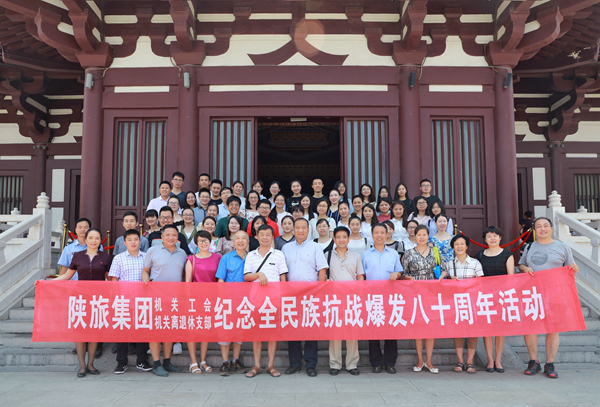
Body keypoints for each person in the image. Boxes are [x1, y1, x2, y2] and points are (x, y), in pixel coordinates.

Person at [519, 217, 578, 379]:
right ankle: (533, 361)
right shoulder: (529, 246)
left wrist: (574, 269)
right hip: (533, 293)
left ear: (551, 228)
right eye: (539, 226)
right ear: (534, 230)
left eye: (545, 226)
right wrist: (525, 269)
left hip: (555, 293)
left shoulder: (562, 247)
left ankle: (550, 363)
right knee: (530, 328)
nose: (542, 229)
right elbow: (521, 264)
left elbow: (571, 268)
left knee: (553, 329)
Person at [54, 228, 112, 377]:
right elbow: (67, 276)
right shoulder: (78, 256)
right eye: (91, 238)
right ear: (85, 239)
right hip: (80, 299)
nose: (94, 241)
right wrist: (47, 282)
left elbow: (111, 279)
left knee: (94, 333)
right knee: (80, 333)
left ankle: (91, 364)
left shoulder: (106, 258)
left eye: (97, 238)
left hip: (98, 300)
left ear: (100, 241)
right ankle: (81, 366)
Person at [282, 218, 328, 377]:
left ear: (308, 230)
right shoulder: (286, 248)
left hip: (311, 296)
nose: (300, 230)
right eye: (297, 228)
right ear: (293, 229)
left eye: (303, 228)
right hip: (292, 296)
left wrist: (319, 291)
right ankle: (294, 363)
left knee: (310, 330)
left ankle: (310, 364)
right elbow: (282, 271)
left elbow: (322, 270)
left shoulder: (315, 247)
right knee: (292, 328)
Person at [244, 224, 288, 378]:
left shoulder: (279, 255)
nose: (264, 237)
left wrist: (282, 298)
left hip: (273, 300)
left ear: (272, 237)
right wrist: (259, 275)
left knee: (272, 334)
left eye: (268, 234)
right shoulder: (251, 255)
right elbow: (246, 276)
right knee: (256, 334)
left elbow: (283, 277)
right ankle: (256, 365)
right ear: (256, 237)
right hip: (256, 300)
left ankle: (271, 365)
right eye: (261, 234)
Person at [402, 225, 447, 374]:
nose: (421, 237)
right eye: (419, 234)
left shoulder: (435, 251)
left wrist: (441, 277)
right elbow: (403, 273)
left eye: (424, 234)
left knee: (431, 327)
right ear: (415, 236)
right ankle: (420, 360)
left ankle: (429, 360)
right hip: (415, 294)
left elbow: (444, 269)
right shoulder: (409, 253)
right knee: (418, 326)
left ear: (428, 236)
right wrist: (410, 278)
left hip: (432, 293)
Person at [142, 225, 186, 377]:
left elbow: (183, 274)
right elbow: (145, 271)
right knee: (155, 331)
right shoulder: (152, 251)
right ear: (162, 237)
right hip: (156, 297)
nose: (171, 237)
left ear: (177, 237)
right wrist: (146, 281)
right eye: (168, 235)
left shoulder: (182, 253)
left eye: (174, 235)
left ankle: (167, 362)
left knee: (169, 330)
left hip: (174, 299)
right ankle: (156, 364)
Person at [108, 229, 152, 375]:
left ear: (140, 242)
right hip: (123, 301)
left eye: (136, 239)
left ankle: (142, 360)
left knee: (142, 331)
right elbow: (114, 280)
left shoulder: (146, 257)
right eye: (130, 240)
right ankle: (121, 362)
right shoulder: (118, 258)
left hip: (142, 300)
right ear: (124, 242)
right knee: (122, 331)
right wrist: (115, 300)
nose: (133, 242)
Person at [361, 223, 403, 374]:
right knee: (373, 331)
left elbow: (400, 272)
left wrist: (396, 274)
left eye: (382, 233)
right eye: (376, 233)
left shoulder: (393, 253)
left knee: (391, 330)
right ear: (372, 235)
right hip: (372, 298)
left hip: (390, 297)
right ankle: (376, 363)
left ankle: (390, 363)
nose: (379, 235)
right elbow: (361, 276)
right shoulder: (365, 254)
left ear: (387, 234)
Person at [476, 226, 515, 374]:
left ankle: (498, 360)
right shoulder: (480, 255)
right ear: (485, 240)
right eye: (489, 236)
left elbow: (510, 278)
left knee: (500, 330)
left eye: (495, 235)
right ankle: (490, 359)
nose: (492, 238)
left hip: (501, 297)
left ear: (500, 238)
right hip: (485, 297)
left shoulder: (507, 255)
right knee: (487, 330)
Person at [327, 227, 364, 376]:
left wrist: (359, 295)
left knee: (352, 332)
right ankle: (335, 364)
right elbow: (322, 275)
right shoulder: (327, 255)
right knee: (335, 332)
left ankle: (352, 364)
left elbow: (360, 276)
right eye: (338, 237)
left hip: (352, 299)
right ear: (334, 239)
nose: (341, 239)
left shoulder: (356, 256)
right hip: (334, 299)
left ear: (348, 239)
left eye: (344, 237)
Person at [185, 230, 220, 375]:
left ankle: (203, 360)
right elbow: (188, 281)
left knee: (206, 329)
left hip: (211, 300)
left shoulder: (218, 257)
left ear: (210, 242)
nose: (203, 243)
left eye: (206, 240)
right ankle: (193, 361)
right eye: (200, 241)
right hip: (195, 299)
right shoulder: (191, 259)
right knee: (193, 330)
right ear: (196, 243)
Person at [215, 231, 250, 376]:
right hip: (228, 301)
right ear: (233, 242)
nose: (240, 241)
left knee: (239, 332)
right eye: (238, 239)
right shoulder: (226, 258)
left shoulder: (252, 257)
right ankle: (225, 362)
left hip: (245, 302)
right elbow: (220, 280)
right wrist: (223, 301)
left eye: (243, 238)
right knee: (225, 332)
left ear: (248, 241)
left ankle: (235, 360)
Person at [447, 235, 483, 375]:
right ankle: (460, 360)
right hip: (455, 302)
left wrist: (466, 286)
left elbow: (481, 283)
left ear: (467, 246)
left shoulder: (475, 263)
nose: (459, 247)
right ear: (453, 247)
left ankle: (470, 361)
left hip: (472, 302)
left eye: (462, 244)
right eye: (456, 244)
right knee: (457, 332)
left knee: (472, 332)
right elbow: (444, 283)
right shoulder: (449, 264)